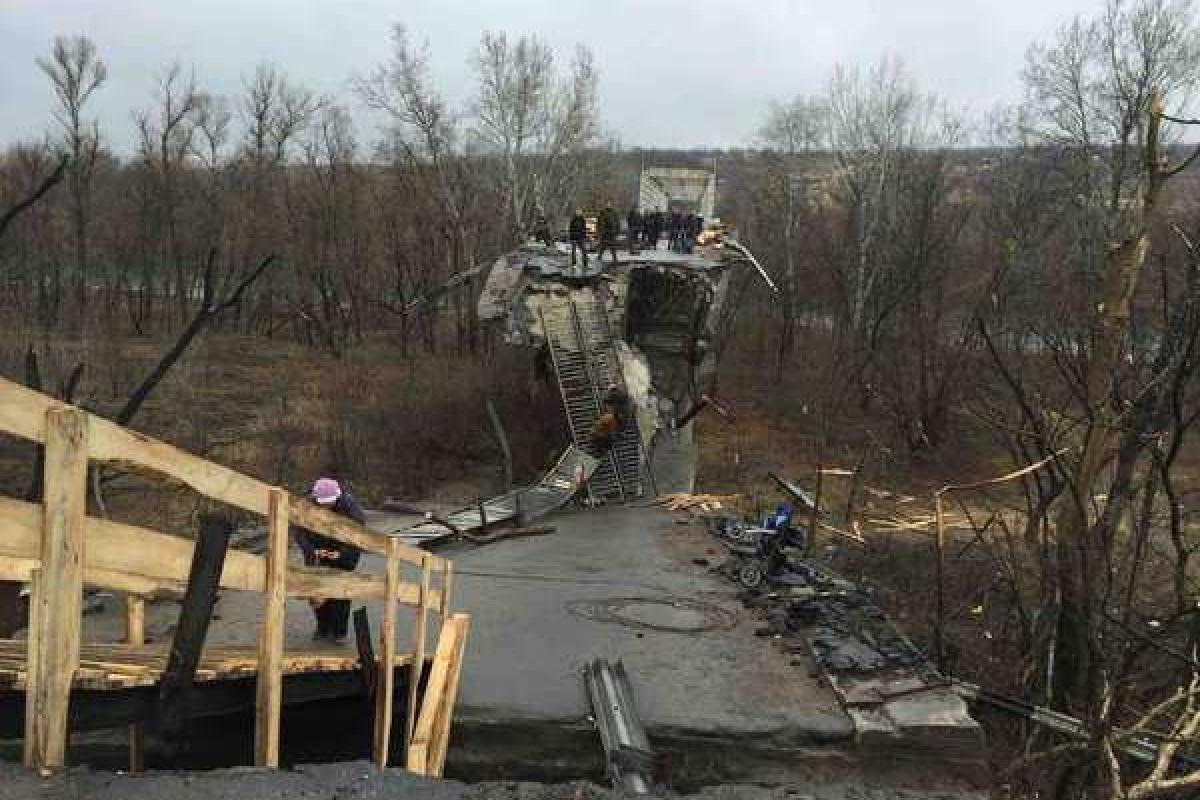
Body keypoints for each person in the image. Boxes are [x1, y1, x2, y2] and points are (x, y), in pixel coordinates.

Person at [292, 477, 365, 644]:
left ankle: (339, 631)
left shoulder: (351, 508)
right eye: (322, 503)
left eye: (329, 504)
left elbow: (359, 536)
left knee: (340, 591)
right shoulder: (307, 505)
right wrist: (311, 551)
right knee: (317, 589)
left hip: (342, 550)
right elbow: (299, 531)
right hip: (316, 548)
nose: (326, 507)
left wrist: (341, 555)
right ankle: (323, 627)